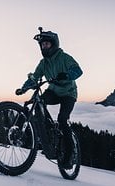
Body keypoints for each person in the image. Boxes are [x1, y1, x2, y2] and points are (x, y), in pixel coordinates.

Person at [16, 27, 83, 169]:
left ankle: (69, 156)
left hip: (68, 93)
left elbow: (78, 70)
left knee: (63, 119)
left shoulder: (65, 58)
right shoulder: (43, 63)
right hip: (53, 91)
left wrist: (67, 75)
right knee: (37, 102)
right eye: (42, 45)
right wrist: (24, 88)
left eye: (47, 44)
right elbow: (35, 77)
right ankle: (47, 132)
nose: (44, 47)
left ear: (54, 44)